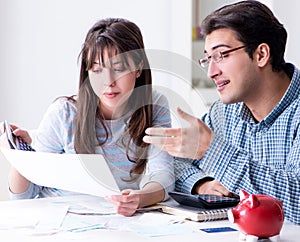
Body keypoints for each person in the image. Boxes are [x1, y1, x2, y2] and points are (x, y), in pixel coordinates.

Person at [143, 0, 300, 225]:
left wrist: (211, 151)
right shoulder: (225, 112)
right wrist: (202, 183)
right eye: (208, 58)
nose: (211, 72)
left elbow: (297, 202)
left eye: (222, 55)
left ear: (261, 55)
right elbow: (175, 164)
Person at [2, 18, 174, 217]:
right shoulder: (64, 113)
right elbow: (24, 197)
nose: (108, 82)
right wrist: (21, 159)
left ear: (138, 68)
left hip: (115, 220)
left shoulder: (154, 106)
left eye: (118, 69)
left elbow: (162, 174)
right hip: (61, 220)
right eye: (97, 70)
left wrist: (139, 198)